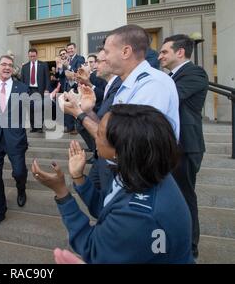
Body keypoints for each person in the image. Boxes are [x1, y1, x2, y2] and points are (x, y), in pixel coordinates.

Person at [32, 104, 194, 264]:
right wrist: (78, 177)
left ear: (120, 149)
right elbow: (104, 207)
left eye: (100, 134)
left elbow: (92, 249)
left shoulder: (139, 216)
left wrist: (61, 192)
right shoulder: (143, 170)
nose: (95, 136)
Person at [62, 25, 180, 144]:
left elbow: (126, 143)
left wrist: (77, 112)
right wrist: (88, 111)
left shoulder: (153, 85)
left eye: (107, 52)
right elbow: (110, 131)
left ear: (125, 52)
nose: (104, 59)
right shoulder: (127, 84)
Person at [159, 34, 209, 259]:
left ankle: (190, 247)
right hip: (171, 145)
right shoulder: (171, 76)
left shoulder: (195, 73)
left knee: (185, 197)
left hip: (186, 145)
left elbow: (172, 97)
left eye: (164, 52)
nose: (160, 56)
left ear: (180, 52)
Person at [0, 55, 29, 230]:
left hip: (15, 138)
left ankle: (21, 188)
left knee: (18, 171)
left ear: (13, 69)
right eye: (3, 64)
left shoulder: (22, 88)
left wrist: (51, 100)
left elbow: (32, 107)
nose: (7, 67)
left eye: (10, 65)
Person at [21, 48, 50, 133]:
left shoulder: (43, 65)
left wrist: (47, 89)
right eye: (30, 56)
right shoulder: (25, 67)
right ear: (28, 56)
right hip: (29, 90)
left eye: (34, 56)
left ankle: (39, 127)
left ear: (37, 55)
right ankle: (33, 127)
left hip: (39, 90)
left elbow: (47, 78)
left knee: (39, 108)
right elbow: (22, 80)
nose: (32, 58)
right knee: (30, 109)